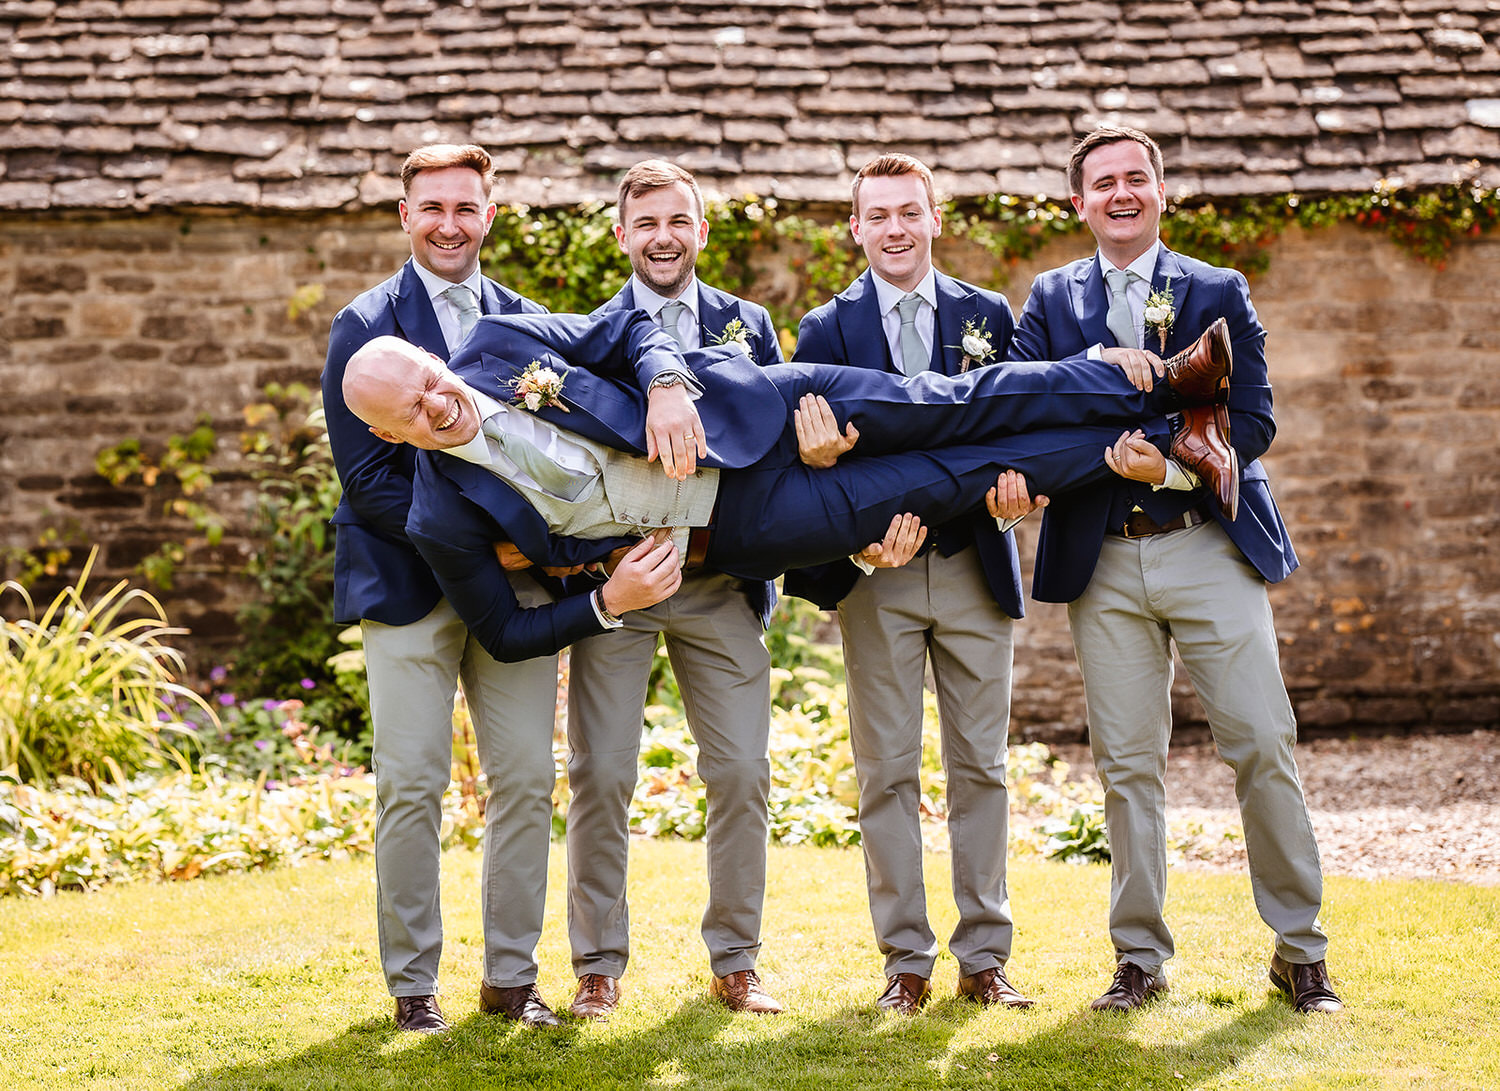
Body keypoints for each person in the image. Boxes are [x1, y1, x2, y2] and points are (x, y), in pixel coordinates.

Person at [340, 306, 1235, 672]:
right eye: (410, 412)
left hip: (759, 404)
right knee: (948, 478)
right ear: (388, 434)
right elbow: (502, 634)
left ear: (431, 355)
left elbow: (632, 326)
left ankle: (1162, 380)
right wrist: (608, 603)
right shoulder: (439, 513)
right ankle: (1175, 440)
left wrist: (663, 387)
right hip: (743, 520)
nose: (436, 402)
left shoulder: (496, 342)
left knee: (953, 402)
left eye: (426, 376)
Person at [1003, 125, 1342, 1014]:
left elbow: (1256, 424)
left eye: (1136, 178)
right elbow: (1027, 413)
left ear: (1161, 190)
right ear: (1078, 201)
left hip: (1206, 541)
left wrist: (1168, 457)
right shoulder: (1050, 299)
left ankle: (1300, 950)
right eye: (1102, 181)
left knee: (1262, 741)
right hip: (1101, 560)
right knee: (1126, 764)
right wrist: (1092, 372)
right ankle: (1140, 957)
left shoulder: (1214, 289)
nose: (1121, 192)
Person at [320, 143, 565, 1033]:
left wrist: (521, 549)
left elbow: (552, 463)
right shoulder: (363, 322)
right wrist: (479, 552)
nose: (450, 223)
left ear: (489, 216)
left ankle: (512, 978)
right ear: (405, 216)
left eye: (466, 207)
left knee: (530, 778)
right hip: (407, 585)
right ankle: (414, 985)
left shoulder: (529, 323)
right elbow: (371, 484)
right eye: (433, 208)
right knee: (413, 781)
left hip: (518, 586)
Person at [784, 153, 1033, 1014]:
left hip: (974, 563)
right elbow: (809, 470)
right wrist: (818, 463)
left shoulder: (988, 315)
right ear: (856, 228)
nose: (894, 227)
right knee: (886, 769)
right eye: (877, 214)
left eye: (908, 212)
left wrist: (1015, 496)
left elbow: (1019, 425)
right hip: (878, 577)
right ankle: (905, 960)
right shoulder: (823, 329)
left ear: (934, 218)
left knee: (983, 768)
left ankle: (986, 958)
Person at [563, 160, 789, 1017]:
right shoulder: (589, 334)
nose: (662, 236)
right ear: (622, 235)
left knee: (740, 771)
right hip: (619, 588)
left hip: (719, 585)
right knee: (603, 774)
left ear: (701, 231)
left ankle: (736, 959)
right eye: (645, 222)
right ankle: (597, 965)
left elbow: (769, 455)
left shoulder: (749, 324)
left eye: (678, 221)